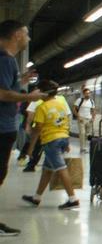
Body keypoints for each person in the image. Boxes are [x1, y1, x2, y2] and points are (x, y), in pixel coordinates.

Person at [0, 20, 44, 235]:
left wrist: (20, 80)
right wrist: (31, 96)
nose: (28, 38)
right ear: (16, 35)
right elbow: (2, 94)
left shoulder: (7, 62)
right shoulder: (5, 60)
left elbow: (6, 87)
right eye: (26, 34)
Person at [21, 80, 80, 210]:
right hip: (62, 138)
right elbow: (66, 123)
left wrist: (30, 150)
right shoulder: (61, 105)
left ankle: (73, 199)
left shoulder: (42, 107)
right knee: (47, 170)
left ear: (43, 93)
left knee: (61, 169)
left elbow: (37, 131)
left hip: (51, 141)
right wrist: (67, 141)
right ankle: (36, 198)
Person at [74, 86, 96, 153]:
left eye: (89, 93)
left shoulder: (92, 101)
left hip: (89, 119)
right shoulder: (79, 100)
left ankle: (85, 147)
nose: (88, 94)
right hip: (81, 119)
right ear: (84, 94)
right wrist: (79, 117)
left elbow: (93, 110)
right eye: (86, 93)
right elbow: (74, 109)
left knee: (87, 134)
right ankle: (82, 148)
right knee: (82, 133)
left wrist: (93, 118)